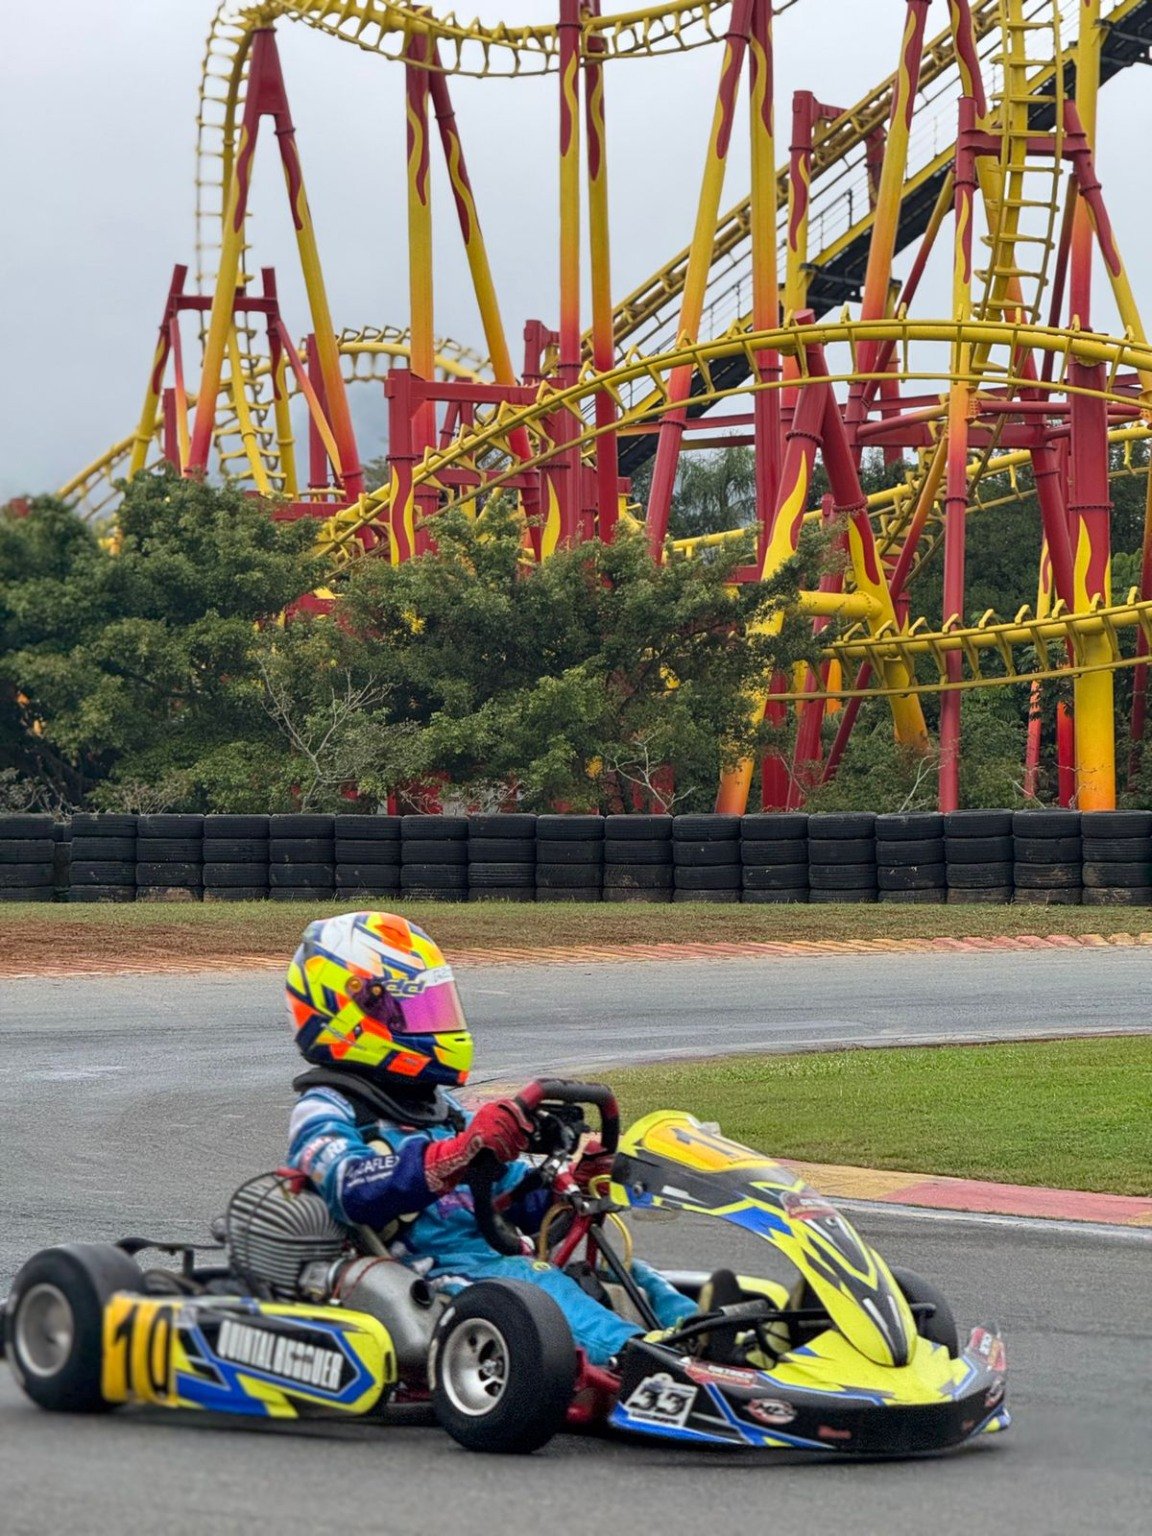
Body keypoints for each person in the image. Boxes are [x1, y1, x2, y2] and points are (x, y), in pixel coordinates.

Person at [284, 910, 696, 1367]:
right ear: (350, 1012)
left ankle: (710, 1340)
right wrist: (454, 1155)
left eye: (436, 1007)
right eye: (418, 1010)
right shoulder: (327, 1108)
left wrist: (568, 1182)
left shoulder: (438, 1108)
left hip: (500, 1263)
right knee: (538, 1284)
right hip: (434, 1278)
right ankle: (649, 1365)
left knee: (628, 1275)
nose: (433, 1023)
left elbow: (505, 1194)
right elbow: (350, 1189)